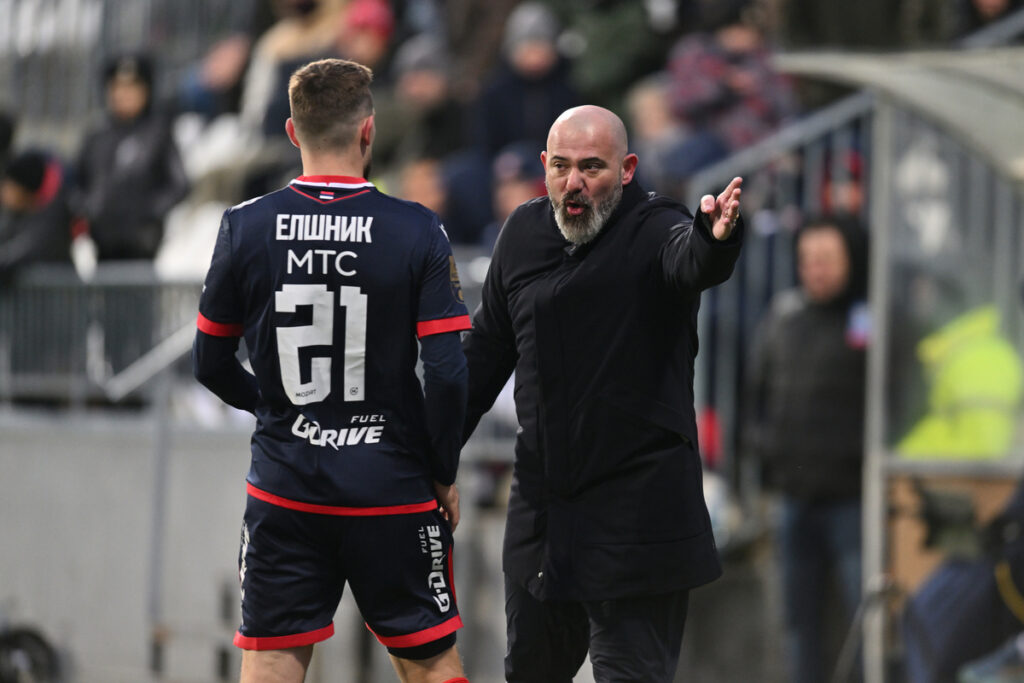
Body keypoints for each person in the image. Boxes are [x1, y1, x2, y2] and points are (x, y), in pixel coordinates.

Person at [192, 58, 472, 683]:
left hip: (287, 484)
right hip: (391, 483)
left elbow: (209, 362)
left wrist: (274, 408)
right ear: (369, 131)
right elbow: (449, 373)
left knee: (271, 659)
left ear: (293, 133)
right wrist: (441, 469)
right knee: (429, 662)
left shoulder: (245, 226)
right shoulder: (417, 229)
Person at [461, 104, 744, 682]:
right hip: (544, 516)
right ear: (543, 165)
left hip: (637, 520)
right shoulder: (521, 233)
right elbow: (483, 359)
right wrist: (430, 457)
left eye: (592, 167)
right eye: (561, 167)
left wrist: (714, 240)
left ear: (628, 168)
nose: (574, 183)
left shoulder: (655, 226)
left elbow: (689, 260)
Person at [744, 215, 870, 683]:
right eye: (807, 260)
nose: (815, 269)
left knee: (864, 621)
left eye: (826, 259)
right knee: (797, 623)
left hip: (851, 499)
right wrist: (763, 454)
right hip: (793, 499)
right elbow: (755, 393)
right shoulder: (783, 318)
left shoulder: (872, 319)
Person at [74, 52, 190, 261]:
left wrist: (148, 212)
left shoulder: (158, 133)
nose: (123, 94)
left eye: (132, 87)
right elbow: (77, 180)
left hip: (142, 243)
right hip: (101, 241)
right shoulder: (97, 135)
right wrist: (90, 208)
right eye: (117, 87)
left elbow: (179, 184)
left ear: (145, 91)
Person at [0, 149, 74, 282]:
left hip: (57, 299)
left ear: (24, 189)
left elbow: (24, 251)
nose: (3, 193)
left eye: (9, 187)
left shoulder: (51, 218)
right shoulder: (13, 218)